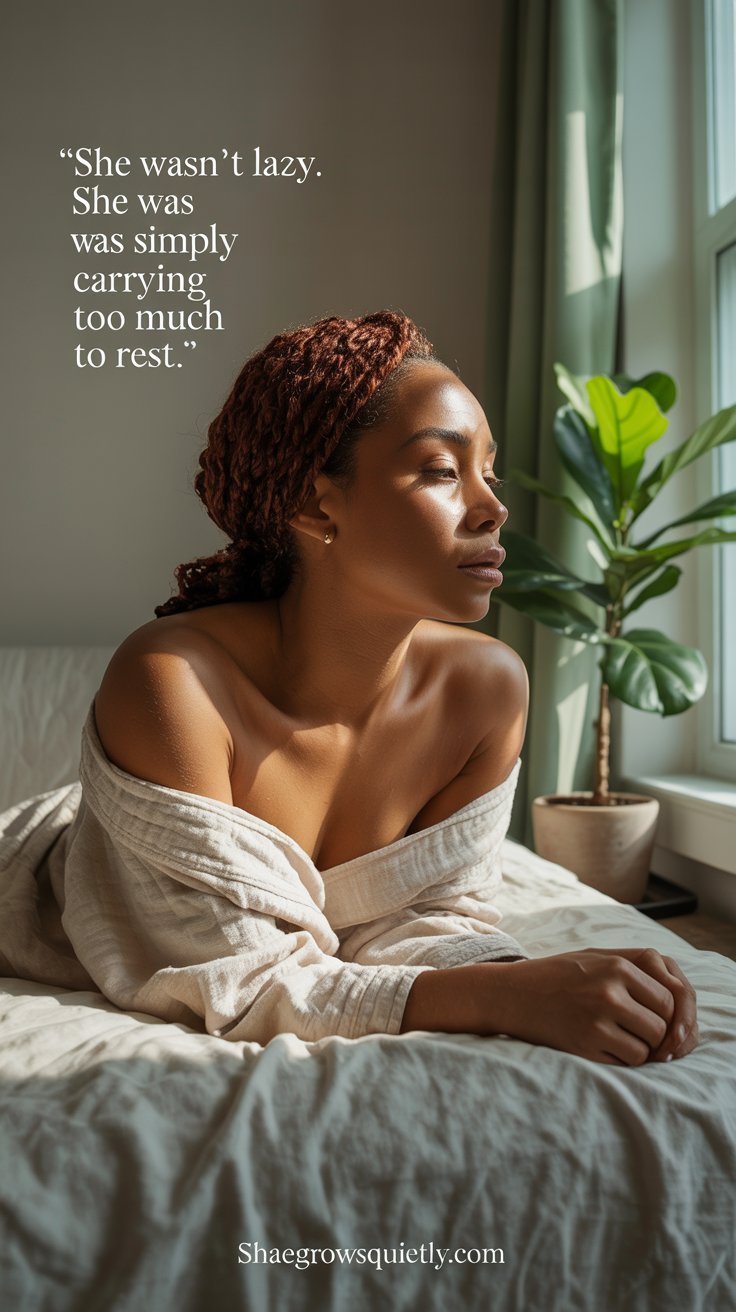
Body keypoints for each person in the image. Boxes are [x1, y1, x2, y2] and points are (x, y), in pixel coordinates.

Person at [87, 310, 696, 1063]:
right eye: (443, 470)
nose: (493, 507)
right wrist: (510, 997)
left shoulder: (486, 689)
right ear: (316, 506)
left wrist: (534, 977)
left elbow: (427, 918)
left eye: (489, 471)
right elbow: (229, 976)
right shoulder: (173, 684)